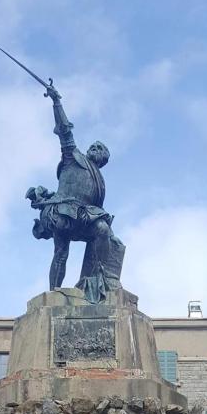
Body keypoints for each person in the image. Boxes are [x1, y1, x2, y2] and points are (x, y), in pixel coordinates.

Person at [26, 85, 125, 302]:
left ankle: (100, 276)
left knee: (102, 229)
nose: (95, 148)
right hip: (64, 211)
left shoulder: (99, 180)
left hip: (84, 214)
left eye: (100, 148)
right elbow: (64, 130)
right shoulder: (73, 156)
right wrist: (56, 102)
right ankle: (54, 294)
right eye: (94, 146)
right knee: (61, 252)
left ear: (104, 159)